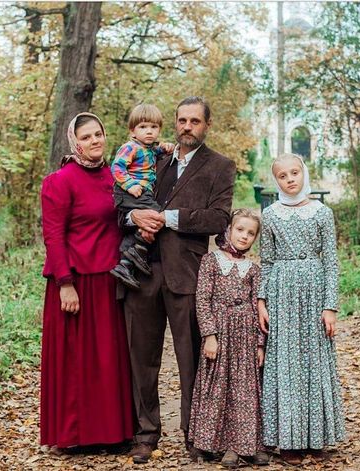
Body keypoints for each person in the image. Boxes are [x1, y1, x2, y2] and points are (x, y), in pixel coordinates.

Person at [123, 97, 237, 464]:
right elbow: (120, 202)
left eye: (195, 121)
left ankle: (196, 435)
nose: (187, 126)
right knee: (142, 359)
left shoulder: (220, 166)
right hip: (141, 271)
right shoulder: (151, 158)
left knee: (193, 361)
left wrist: (168, 218)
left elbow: (218, 219)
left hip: (187, 274)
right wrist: (133, 218)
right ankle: (145, 434)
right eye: (182, 120)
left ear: (207, 125)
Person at [39, 112, 133, 452]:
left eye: (98, 134)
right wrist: (64, 282)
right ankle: (74, 436)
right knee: (76, 361)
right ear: (74, 142)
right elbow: (53, 235)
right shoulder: (60, 181)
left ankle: (111, 433)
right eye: (86, 137)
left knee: (108, 360)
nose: (94, 141)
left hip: (109, 280)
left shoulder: (115, 176)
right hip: (76, 282)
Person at [257, 153, 346, 464]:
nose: (290, 179)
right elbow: (266, 261)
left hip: (314, 290)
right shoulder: (270, 215)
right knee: (285, 360)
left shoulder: (322, 213)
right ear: (276, 181)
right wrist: (261, 300)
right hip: (281, 292)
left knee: (314, 358)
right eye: (282, 176)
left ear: (303, 173)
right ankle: (288, 439)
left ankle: (314, 435)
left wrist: (330, 306)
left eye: (294, 172)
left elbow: (331, 262)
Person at [188, 209, 270, 468]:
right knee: (217, 387)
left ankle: (242, 445)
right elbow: (202, 300)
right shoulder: (211, 261)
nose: (244, 236)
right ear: (229, 230)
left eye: (251, 233)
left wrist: (260, 344)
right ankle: (215, 443)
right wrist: (210, 335)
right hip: (220, 331)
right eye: (240, 230)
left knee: (243, 391)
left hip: (245, 336)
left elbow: (257, 308)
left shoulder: (253, 269)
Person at [109, 103, 174, 289]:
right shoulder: (131, 147)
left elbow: (157, 151)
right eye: (143, 127)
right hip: (130, 192)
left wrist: (165, 147)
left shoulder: (149, 148)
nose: (149, 131)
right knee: (157, 216)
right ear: (133, 131)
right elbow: (117, 167)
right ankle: (135, 253)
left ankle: (125, 265)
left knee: (147, 223)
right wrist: (130, 185)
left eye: (154, 127)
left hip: (141, 192)